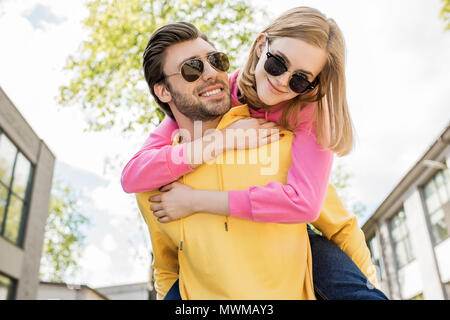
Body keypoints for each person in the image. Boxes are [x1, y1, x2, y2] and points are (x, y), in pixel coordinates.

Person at [129, 8, 387, 300]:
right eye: (277, 63)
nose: (281, 81)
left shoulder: (296, 128)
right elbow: (164, 261)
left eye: (300, 80)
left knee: (322, 254)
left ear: (312, 86)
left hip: (293, 234)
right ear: (260, 45)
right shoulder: (217, 99)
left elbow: (323, 215)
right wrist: (222, 140)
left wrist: (370, 286)